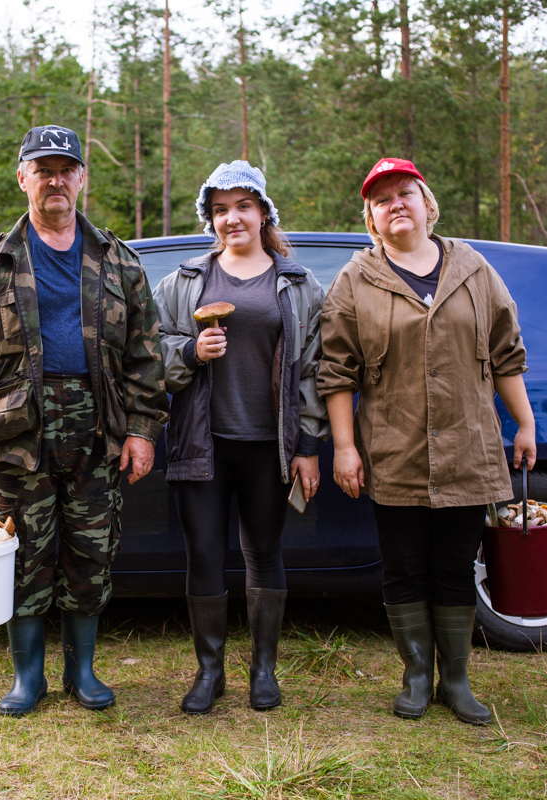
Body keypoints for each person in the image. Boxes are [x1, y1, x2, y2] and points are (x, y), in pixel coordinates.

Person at [0, 125, 169, 716]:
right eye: (43, 169)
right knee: (21, 556)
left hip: (98, 432)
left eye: (66, 168)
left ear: (81, 179)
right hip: (18, 435)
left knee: (90, 555)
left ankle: (83, 673)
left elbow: (146, 358)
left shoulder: (120, 263)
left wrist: (142, 432)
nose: (56, 179)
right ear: (23, 179)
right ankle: (28, 677)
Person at [318, 158, 536, 726]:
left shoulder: (474, 269)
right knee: (404, 567)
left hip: (467, 447)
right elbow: (335, 372)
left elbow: (507, 354)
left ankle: (456, 682)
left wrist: (526, 425)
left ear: (426, 202)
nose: (396, 203)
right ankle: (417, 677)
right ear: (370, 216)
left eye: (405, 193)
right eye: (382, 198)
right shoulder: (355, 281)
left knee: (455, 567)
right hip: (395, 450)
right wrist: (345, 447)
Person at [152, 161, 328, 714]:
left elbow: (312, 371)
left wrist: (307, 446)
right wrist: (188, 352)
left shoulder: (298, 285)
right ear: (211, 219)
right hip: (202, 441)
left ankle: (264, 671)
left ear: (263, 213)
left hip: (268, 443)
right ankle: (210, 672)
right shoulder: (182, 283)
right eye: (221, 209)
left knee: (264, 551)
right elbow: (147, 356)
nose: (233, 218)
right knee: (204, 553)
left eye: (243, 206)